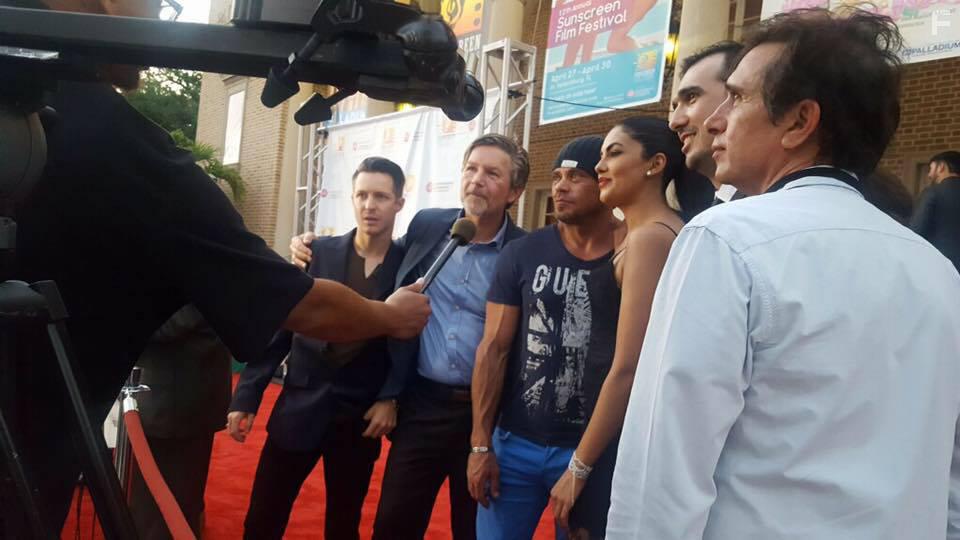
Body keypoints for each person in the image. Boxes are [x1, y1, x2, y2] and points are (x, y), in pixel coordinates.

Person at [2, 0, 430, 533]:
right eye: (159, 3)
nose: (164, 15)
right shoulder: (127, 152)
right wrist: (390, 317)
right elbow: (299, 304)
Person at [607, 8, 960, 540]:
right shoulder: (938, 271)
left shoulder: (725, 240)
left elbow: (662, 464)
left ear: (800, 121)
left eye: (739, 97)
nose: (715, 119)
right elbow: (948, 476)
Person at [291, 134, 529, 540]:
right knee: (393, 525)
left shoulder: (524, 251)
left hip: (486, 416)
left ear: (515, 192)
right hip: (422, 407)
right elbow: (381, 253)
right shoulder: (431, 224)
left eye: (492, 173)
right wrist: (313, 245)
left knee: (472, 528)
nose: (476, 180)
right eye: (471, 169)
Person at [227, 157, 408, 540]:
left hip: (359, 417)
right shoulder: (317, 252)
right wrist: (247, 395)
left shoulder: (407, 265)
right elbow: (283, 327)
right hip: (299, 407)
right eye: (362, 195)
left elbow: (409, 340)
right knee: (263, 517)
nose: (369, 205)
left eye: (380, 196)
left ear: (399, 203)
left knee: (344, 524)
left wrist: (392, 396)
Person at [468, 136, 624, 540]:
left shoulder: (634, 253)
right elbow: (493, 349)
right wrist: (481, 445)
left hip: (591, 450)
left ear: (604, 184)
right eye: (556, 176)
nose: (560, 186)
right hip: (515, 442)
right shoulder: (522, 253)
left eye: (575, 176)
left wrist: (586, 464)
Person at [546, 118, 694, 540]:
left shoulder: (651, 239)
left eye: (614, 153)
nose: (600, 167)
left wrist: (579, 466)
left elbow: (628, 367)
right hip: (609, 430)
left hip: (618, 440)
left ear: (655, 164)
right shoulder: (638, 235)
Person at [127, 304, 233, 540]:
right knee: (155, 504)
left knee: (167, 510)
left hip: (179, 406)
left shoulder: (200, 268)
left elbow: (173, 324)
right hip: (168, 401)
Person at [911, 151, 960, 270]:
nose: (929, 174)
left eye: (931, 168)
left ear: (941, 167)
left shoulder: (933, 192)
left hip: (941, 266)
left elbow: (916, 231)